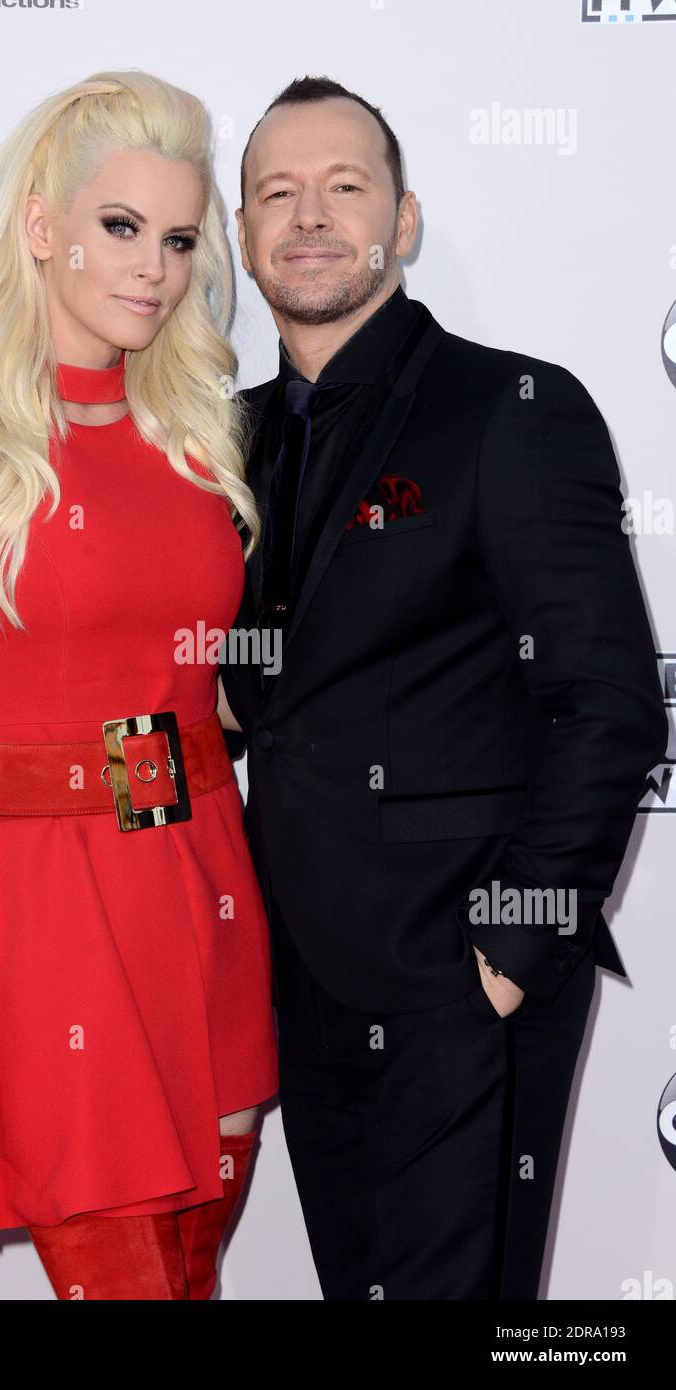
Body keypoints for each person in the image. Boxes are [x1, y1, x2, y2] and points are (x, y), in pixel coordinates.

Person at [220, 75, 668, 1300]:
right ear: (245, 236)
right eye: (276, 192)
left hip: (458, 974)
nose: (307, 215)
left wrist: (507, 950)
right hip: (298, 979)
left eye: (343, 187)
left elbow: (611, 701)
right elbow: (244, 693)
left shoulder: (508, 407)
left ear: (401, 223)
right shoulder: (227, 439)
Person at [0, 70, 278, 1301]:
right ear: (42, 227)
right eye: (120, 227)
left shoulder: (197, 432)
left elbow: (216, 675)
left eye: (179, 239)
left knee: (190, 1273)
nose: (154, 267)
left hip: (204, 888)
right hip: (45, 908)